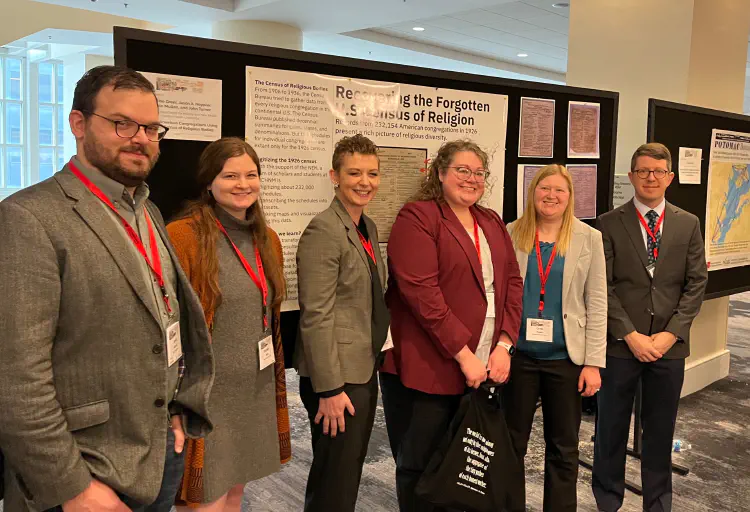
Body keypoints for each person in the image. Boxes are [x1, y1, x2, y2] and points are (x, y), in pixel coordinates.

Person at [0, 66, 214, 512]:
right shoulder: (28, 219)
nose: (141, 138)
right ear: (78, 124)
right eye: (123, 124)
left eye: (152, 128)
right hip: (86, 473)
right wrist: (72, 487)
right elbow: (17, 379)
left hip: (157, 450)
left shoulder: (148, 210)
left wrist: (176, 410)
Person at [380, 139, 524, 511]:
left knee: (466, 466)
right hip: (429, 366)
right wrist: (463, 354)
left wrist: (505, 345)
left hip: (486, 361)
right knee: (421, 464)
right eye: (462, 170)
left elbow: (511, 283)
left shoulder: (490, 221)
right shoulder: (418, 217)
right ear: (440, 173)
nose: (471, 179)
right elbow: (422, 295)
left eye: (478, 173)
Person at [166, 137, 291, 511]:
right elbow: (170, 323)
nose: (243, 184)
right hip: (208, 397)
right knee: (204, 498)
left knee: (235, 490)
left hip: (253, 388)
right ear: (209, 182)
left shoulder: (267, 239)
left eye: (251, 175)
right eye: (230, 175)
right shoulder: (183, 236)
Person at [592, 143, 708, 512]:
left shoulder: (688, 223)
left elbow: (696, 283)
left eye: (658, 171)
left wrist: (671, 333)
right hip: (621, 344)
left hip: (668, 346)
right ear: (631, 177)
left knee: (659, 431)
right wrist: (630, 334)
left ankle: (658, 502)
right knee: (609, 427)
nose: (651, 178)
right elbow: (602, 285)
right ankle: (608, 499)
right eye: (643, 171)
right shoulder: (609, 222)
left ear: (670, 177)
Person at [294, 134, 390, 512]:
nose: (365, 181)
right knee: (334, 479)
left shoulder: (367, 227)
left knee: (346, 472)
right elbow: (316, 315)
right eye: (354, 173)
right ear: (334, 176)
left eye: (372, 173)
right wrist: (330, 390)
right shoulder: (324, 230)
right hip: (336, 379)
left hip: (362, 368)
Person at [504, 164, 607, 512]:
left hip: (566, 359)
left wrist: (594, 362)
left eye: (559, 190)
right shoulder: (512, 233)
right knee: (511, 445)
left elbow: (597, 302)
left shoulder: (588, 238)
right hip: (518, 357)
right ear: (533, 193)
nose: (551, 196)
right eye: (544, 189)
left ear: (570, 197)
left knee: (564, 449)